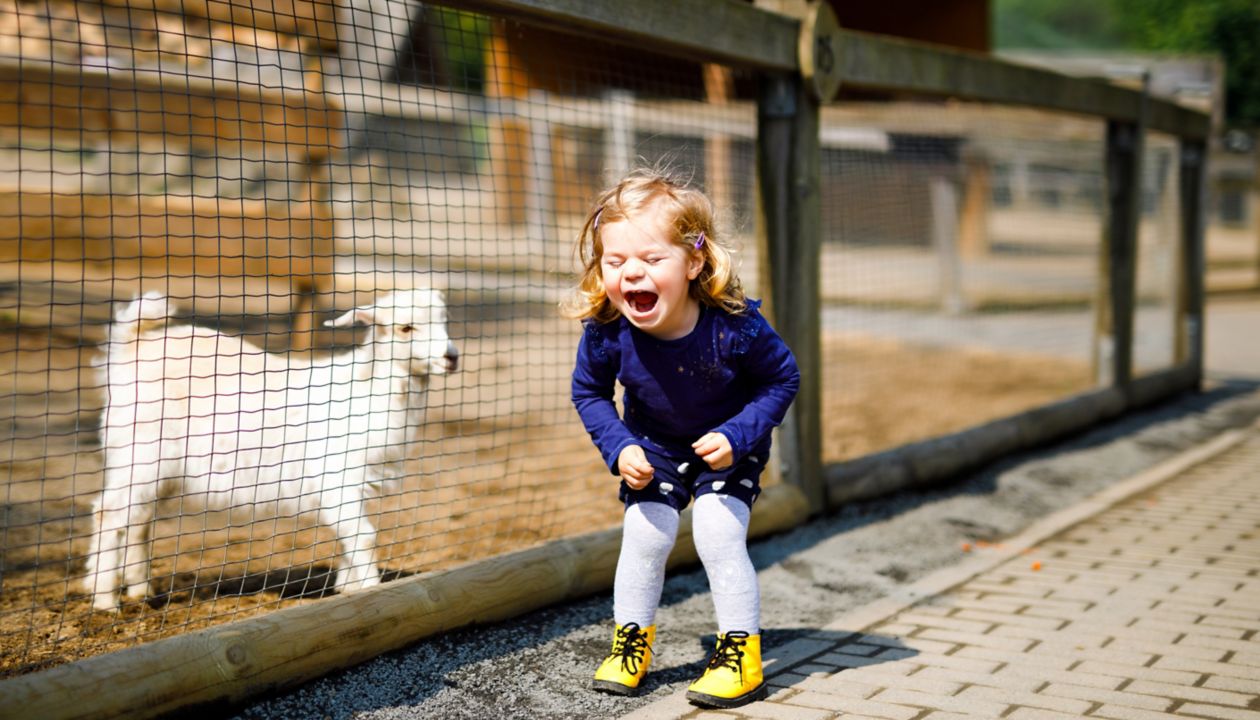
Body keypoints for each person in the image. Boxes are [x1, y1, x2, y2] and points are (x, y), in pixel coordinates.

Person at [568, 167, 800, 709]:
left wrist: (739, 434)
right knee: (645, 537)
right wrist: (620, 445)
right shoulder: (607, 330)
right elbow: (589, 394)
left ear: (694, 262)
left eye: (652, 260)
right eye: (616, 261)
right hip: (654, 446)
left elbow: (781, 378)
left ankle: (740, 653)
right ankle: (632, 643)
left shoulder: (735, 325)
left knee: (718, 534)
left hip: (727, 444)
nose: (631, 275)